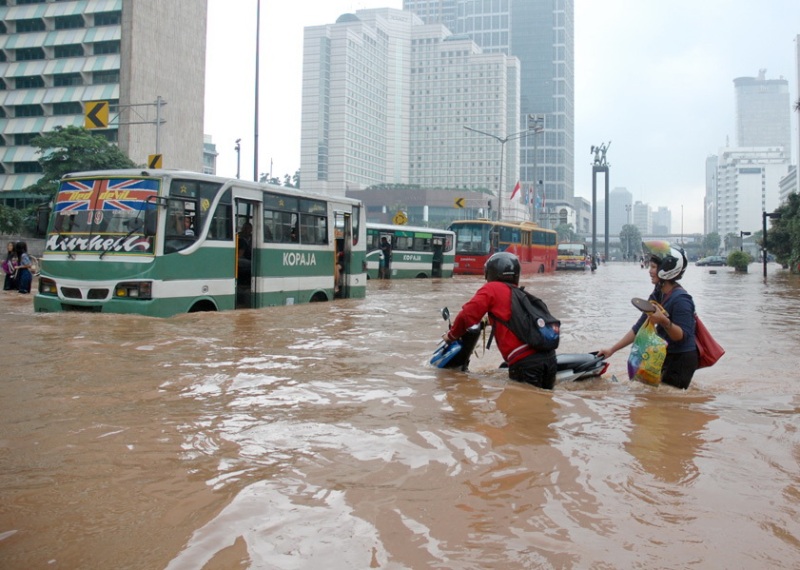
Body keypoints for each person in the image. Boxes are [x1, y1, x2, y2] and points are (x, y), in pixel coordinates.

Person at [442, 252, 557, 389]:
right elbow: (509, 319)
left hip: (525, 363)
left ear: (490, 272)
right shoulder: (519, 294)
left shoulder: (492, 289)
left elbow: (466, 315)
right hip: (549, 359)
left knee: (518, 409)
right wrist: (485, 322)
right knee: (542, 405)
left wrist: (451, 336)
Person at [597, 241, 698, 389]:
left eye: (653, 267)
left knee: (668, 405)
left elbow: (682, 336)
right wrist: (612, 350)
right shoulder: (658, 293)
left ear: (667, 269)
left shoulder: (681, 300)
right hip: (664, 355)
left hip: (681, 359)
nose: (649, 271)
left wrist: (663, 321)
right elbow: (639, 326)